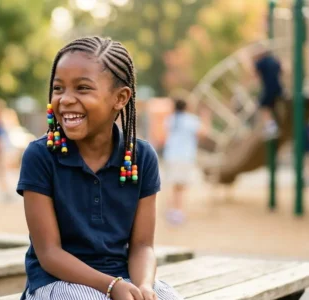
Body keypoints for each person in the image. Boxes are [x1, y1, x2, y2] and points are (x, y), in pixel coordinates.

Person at [17, 37, 183, 300]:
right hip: (59, 282)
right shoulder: (40, 156)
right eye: (58, 88)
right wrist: (110, 286)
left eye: (82, 88)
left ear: (120, 98)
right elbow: (49, 254)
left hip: (124, 277)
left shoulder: (141, 157)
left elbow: (142, 246)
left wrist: (144, 287)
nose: (66, 99)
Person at [162, 99, 208, 225]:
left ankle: (171, 211)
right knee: (181, 187)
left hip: (170, 155)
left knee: (172, 185)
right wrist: (205, 117)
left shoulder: (170, 119)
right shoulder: (191, 120)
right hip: (185, 156)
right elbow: (204, 132)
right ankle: (178, 212)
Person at [254, 46, 283, 139]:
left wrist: (246, 59)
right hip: (278, 87)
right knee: (270, 105)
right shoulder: (274, 60)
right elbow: (282, 70)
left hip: (269, 88)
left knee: (263, 105)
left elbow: (253, 72)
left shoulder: (262, 62)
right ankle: (272, 125)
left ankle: (271, 127)